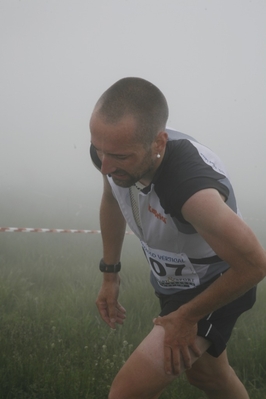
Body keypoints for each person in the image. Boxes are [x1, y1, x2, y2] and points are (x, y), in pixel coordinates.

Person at [89, 77, 266, 399]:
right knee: (209, 378)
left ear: (158, 143)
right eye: (98, 150)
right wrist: (109, 273)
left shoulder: (191, 192)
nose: (104, 166)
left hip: (218, 283)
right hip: (175, 284)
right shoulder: (117, 153)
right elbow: (112, 199)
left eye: (119, 156)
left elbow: (255, 264)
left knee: (126, 393)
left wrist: (187, 316)